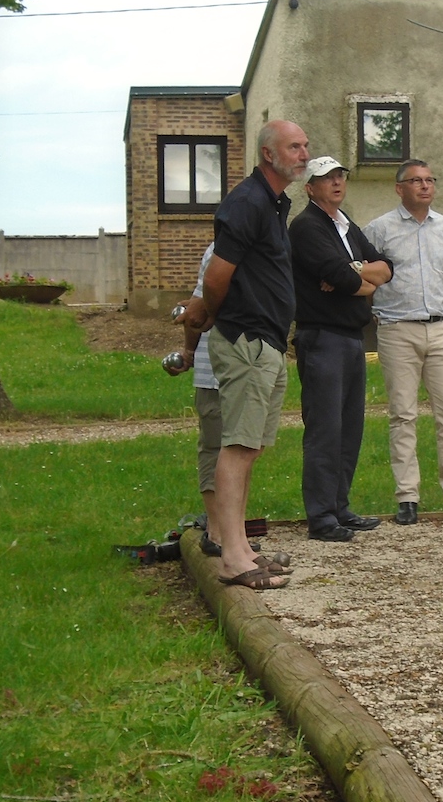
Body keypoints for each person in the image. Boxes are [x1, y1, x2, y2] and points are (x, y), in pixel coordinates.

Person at [179, 119, 307, 590]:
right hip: (247, 340)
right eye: (294, 146)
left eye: (305, 145)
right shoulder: (248, 201)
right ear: (269, 154)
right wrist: (216, 315)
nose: (303, 153)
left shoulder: (274, 203)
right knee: (236, 446)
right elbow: (217, 276)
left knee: (248, 448)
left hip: (267, 341)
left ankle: (243, 548)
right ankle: (232, 558)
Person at [166, 244, 292, 575]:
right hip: (214, 369)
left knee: (245, 446)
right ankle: (217, 532)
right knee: (216, 446)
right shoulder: (222, 251)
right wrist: (189, 353)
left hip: (244, 358)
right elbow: (196, 309)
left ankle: (235, 535)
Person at [363, 160, 443, 525]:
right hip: (397, 329)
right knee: (403, 414)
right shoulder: (379, 230)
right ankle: (407, 497)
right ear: (399, 188)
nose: (425, 186)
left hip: (440, 328)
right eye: (416, 181)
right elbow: (364, 277)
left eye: (430, 180)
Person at [289, 156, 393, 542]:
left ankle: (340, 506)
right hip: (322, 338)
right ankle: (321, 516)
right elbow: (343, 278)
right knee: (325, 429)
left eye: (339, 176)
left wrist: (354, 274)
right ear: (309, 187)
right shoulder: (306, 227)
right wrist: (357, 276)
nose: (335, 183)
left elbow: (386, 269)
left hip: (352, 337)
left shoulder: (346, 224)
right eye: (325, 178)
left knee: (350, 428)